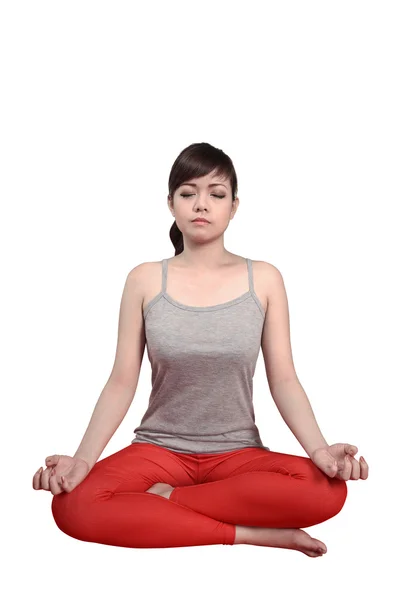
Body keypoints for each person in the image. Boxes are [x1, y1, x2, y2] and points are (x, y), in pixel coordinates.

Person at [32, 142, 369, 556]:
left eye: (216, 193)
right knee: (73, 507)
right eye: (188, 193)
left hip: (237, 454)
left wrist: (321, 452)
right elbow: (121, 382)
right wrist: (82, 462)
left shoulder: (263, 279)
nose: (201, 205)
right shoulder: (144, 279)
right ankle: (256, 535)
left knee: (328, 493)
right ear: (171, 204)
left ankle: (169, 502)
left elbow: (284, 379)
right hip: (157, 451)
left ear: (235, 206)